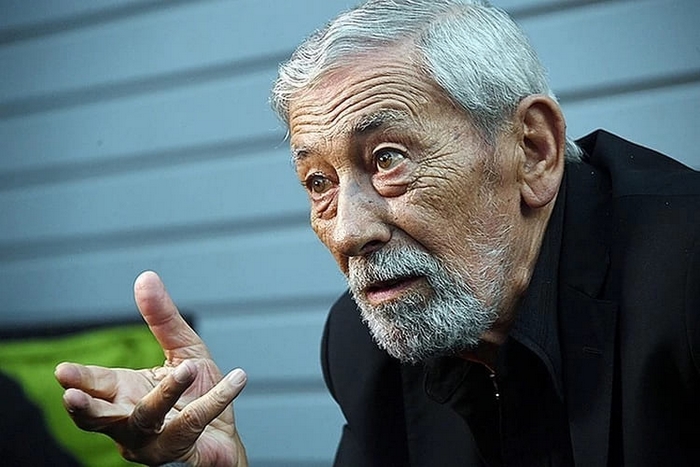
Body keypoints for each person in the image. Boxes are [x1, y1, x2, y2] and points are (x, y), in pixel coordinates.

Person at [55, 0, 700, 466]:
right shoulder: (364, 346)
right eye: (318, 182)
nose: (348, 232)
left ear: (532, 150)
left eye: (388, 158)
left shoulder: (687, 276)